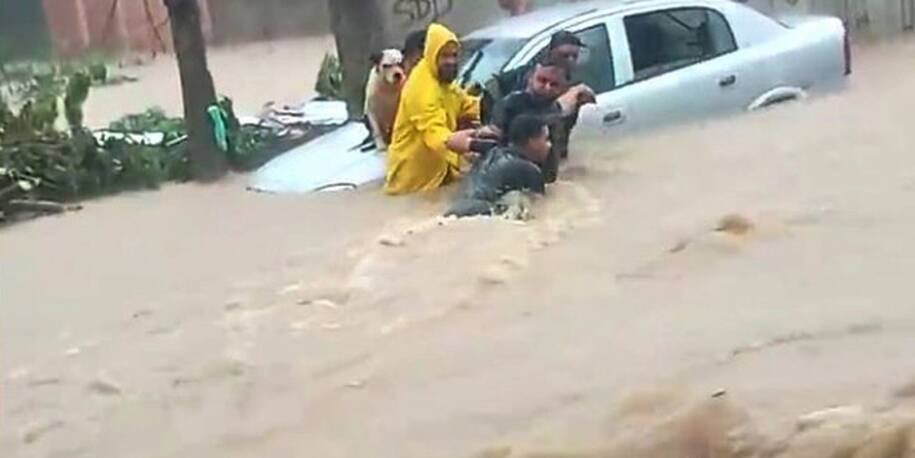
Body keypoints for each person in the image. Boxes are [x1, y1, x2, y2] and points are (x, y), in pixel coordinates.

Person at [385, 24, 491, 195]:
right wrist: (471, 143)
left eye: (454, 55)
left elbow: (466, 104)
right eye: (444, 56)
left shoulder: (445, 83)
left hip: (442, 175)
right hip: (413, 186)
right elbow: (434, 133)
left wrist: (495, 107)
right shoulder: (421, 87)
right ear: (432, 54)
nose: (451, 61)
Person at [490, 59, 594, 183]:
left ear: (563, 88)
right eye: (542, 80)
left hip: (545, 178)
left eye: (554, 84)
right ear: (530, 79)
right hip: (513, 177)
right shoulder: (510, 104)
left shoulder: (564, 112)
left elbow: (561, 150)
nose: (547, 87)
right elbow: (493, 139)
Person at [447, 114, 550, 218]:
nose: (549, 145)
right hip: (479, 215)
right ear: (532, 141)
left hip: (454, 210)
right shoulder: (530, 171)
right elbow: (540, 209)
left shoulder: (490, 152)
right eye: (546, 139)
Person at [480, 30, 586, 124]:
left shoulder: (572, 81)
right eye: (565, 55)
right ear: (551, 53)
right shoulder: (530, 75)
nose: (570, 61)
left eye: (574, 56)